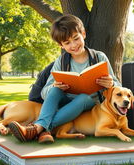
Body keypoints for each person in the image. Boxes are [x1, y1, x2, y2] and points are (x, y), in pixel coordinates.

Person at [9, 14, 121, 144]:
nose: (73, 45)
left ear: (83, 34)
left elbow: (118, 86)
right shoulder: (61, 62)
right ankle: (42, 129)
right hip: (66, 104)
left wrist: (111, 83)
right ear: (61, 45)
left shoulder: (99, 57)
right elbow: (44, 93)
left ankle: (37, 128)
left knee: (83, 97)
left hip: (90, 104)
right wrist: (54, 86)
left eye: (76, 38)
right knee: (55, 91)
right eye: (67, 43)